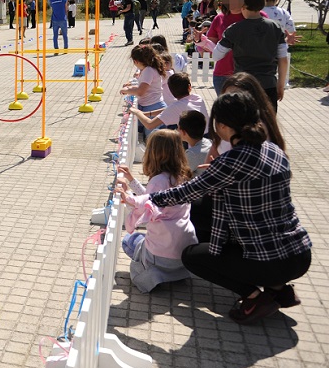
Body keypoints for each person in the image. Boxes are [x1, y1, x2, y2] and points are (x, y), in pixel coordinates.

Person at [130, 92, 312, 324]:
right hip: (299, 253)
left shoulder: (233, 160)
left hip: (270, 259)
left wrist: (142, 199)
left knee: (191, 257)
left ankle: (254, 297)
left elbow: (184, 193)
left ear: (223, 125)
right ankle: (279, 289)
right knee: (198, 211)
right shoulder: (274, 150)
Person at [115, 130, 198, 293]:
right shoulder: (183, 177)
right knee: (142, 239)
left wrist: (127, 197)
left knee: (128, 241)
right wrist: (131, 180)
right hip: (184, 251)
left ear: (154, 153)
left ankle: (155, 274)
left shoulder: (159, 180)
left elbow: (145, 210)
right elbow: (152, 198)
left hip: (162, 255)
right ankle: (176, 274)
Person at [207, 0, 288, 110]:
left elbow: (217, 55)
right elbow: (283, 59)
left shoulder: (234, 30)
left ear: (243, 6)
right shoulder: (276, 27)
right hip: (268, 85)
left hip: (243, 86)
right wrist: (280, 85)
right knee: (267, 125)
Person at [203, 0, 246, 95]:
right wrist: (200, 41)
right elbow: (210, 45)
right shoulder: (219, 18)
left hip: (247, 76)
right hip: (222, 76)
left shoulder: (256, 16)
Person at [120, 45, 167, 142]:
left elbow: (141, 91)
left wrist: (127, 90)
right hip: (152, 105)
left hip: (153, 106)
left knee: (154, 141)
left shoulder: (148, 71)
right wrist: (130, 88)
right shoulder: (148, 69)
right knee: (152, 139)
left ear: (136, 61)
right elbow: (142, 87)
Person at [131, 72, 207, 131]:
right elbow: (170, 110)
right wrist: (147, 114)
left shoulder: (176, 107)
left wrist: (137, 112)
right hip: (209, 137)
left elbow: (149, 125)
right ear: (189, 87)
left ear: (170, 90)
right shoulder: (198, 98)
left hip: (193, 143)